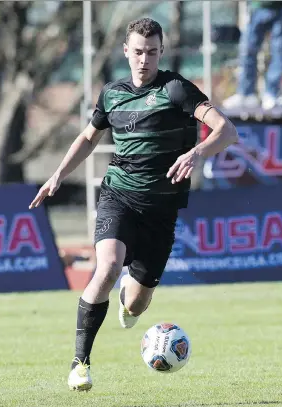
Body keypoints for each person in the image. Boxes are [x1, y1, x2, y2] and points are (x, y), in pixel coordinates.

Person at [29, 17, 238, 392]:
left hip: (161, 212)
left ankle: (130, 300)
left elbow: (227, 130)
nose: (145, 60)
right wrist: (57, 174)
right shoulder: (111, 93)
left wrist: (197, 151)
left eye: (152, 52)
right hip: (118, 196)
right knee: (106, 268)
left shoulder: (176, 89)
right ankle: (80, 363)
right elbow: (89, 137)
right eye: (138, 52)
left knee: (137, 305)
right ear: (126, 51)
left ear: (161, 51)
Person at [222, 1, 282, 110]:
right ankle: (246, 94)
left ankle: (271, 93)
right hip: (258, 7)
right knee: (247, 50)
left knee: (279, 51)